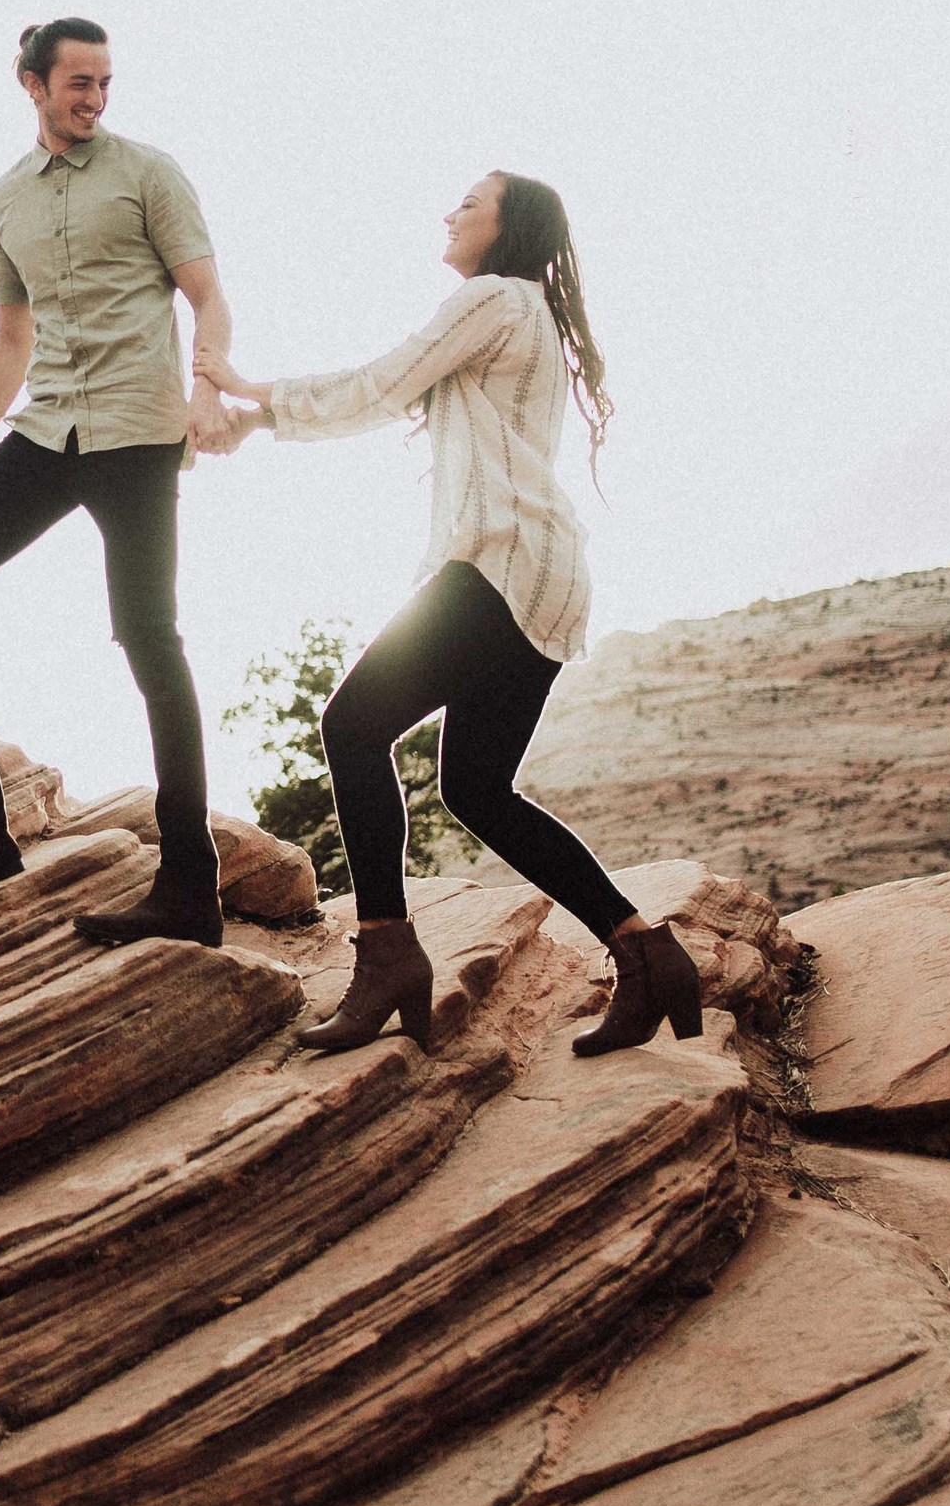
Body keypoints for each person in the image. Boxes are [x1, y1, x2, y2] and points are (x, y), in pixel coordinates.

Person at [201, 172, 702, 1056]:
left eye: (470, 202)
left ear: (507, 228)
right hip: (542, 571)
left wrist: (250, 389)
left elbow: (382, 382)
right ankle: (644, 951)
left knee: (352, 727)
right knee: (476, 787)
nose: (449, 211)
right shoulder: (527, 312)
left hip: (499, 562)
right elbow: (400, 394)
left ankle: (389, 956)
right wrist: (260, 425)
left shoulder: (494, 297)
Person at [0, 18, 239, 947]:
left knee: (146, 636)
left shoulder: (149, 174)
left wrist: (205, 386)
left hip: (137, 431)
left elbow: (207, 294)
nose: (94, 99)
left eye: (105, 83)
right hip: (47, 431)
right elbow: (13, 337)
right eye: (78, 83)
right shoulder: (3, 202)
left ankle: (189, 882)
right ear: (33, 85)